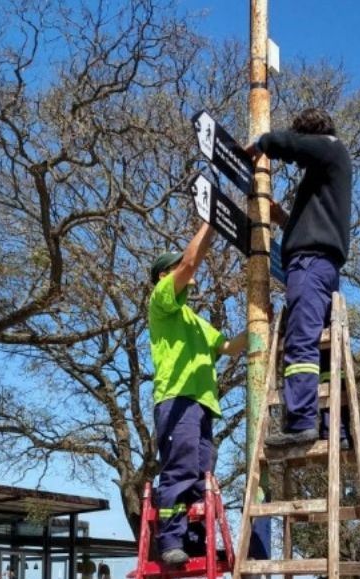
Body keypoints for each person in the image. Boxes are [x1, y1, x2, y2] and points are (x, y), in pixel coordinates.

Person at [247, 107, 352, 447]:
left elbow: (289, 145)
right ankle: (333, 425)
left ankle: (301, 422)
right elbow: (312, 222)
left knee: (301, 342)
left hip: (309, 265)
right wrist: (282, 219)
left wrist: (263, 143)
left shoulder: (330, 147)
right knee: (323, 356)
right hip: (323, 268)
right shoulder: (328, 173)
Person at [148, 222, 248, 566]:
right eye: (176, 266)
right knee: (179, 470)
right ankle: (170, 539)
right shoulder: (161, 301)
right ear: (164, 275)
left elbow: (230, 347)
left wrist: (261, 324)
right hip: (178, 399)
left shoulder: (194, 320)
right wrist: (211, 222)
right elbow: (190, 264)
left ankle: (190, 541)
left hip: (203, 405)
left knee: (200, 474)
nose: (186, 269)